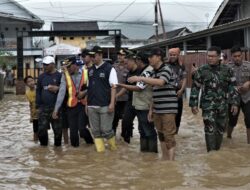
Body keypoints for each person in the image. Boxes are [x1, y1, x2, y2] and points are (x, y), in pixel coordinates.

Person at [128, 47, 178, 160]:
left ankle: (171, 163)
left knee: (169, 135)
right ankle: (165, 159)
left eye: (151, 56)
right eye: (148, 57)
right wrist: (151, 110)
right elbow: (154, 92)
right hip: (157, 108)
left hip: (168, 109)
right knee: (161, 134)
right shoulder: (153, 72)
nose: (149, 59)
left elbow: (161, 82)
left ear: (159, 57)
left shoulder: (166, 68)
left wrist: (140, 78)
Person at [189, 46, 240, 152]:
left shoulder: (227, 70)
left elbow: (233, 87)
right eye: (209, 56)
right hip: (208, 106)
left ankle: (216, 151)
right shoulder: (202, 70)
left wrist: (235, 103)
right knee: (209, 129)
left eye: (213, 56)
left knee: (220, 130)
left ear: (218, 57)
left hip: (223, 105)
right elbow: (195, 87)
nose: (210, 58)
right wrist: (193, 104)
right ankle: (211, 153)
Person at [118, 51, 158, 152]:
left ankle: (152, 153)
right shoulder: (143, 71)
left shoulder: (147, 71)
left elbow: (139, 87)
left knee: (148, 131)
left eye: (136, 60)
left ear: (140, 60)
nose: (136, 62)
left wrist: (121, 85)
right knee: (143, 131)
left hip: (145, 105)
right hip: (140, 105)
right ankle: (146, 156)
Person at [52, 56, 93, 147]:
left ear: (75, 65)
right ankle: (75, 155)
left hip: (84, 105)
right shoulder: (65, 75)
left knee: (82, 130)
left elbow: (93, 88)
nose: (66, 69)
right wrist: (56, 109)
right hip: (71, 107)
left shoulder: (86, 73)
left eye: (68, 66)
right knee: (73, 135)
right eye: (65, 67)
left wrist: (84, 92)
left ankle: (91, 144)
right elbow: (61, 93)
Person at [87, 46, 118, 152]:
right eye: (90, 56)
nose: (92, 58)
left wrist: (112, 103)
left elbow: (114, 87)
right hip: (92, 105)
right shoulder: (90, 70)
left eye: (93, 56)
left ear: (100, 55)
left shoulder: (109, 68)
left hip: (105, 105)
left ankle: (114, 150)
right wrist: (87, 104)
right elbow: (89, 87)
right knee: (95, 131)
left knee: (106, 130)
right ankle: (101, 153)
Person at [36, 56, 62, 146]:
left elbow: (65, 91)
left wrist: (57, 88)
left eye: (46, 65)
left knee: (58, 131)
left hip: (56, 108)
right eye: (43, 64)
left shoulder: (60, 76)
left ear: (52, 64)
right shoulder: (41, 77)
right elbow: (38, 91)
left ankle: (58, 152)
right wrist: (38, 106)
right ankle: (43, 150)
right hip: (44, 108)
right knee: (41, 130)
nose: (44, 66)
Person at [227, 45, 250, 142]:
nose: (237, 58)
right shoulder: (227, 68)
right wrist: (233, 88)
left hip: (247, 97)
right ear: (231, 56)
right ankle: (228, 137)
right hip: (233, 99)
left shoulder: (248, 65)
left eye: (239, 56)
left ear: (242, 56)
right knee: (232, 120)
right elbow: (224, 83)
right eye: (235, 56)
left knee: (249, 120)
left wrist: (248, 83)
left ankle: (249, 144)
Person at [116, 53, 141, 144]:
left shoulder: (141, 72)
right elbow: (126, 86)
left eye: (127, 63)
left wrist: (121, 85)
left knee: (142, 126)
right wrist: (117, 96)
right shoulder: (129, 73)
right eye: (125, 64)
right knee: (125, 122)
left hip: (140, 102)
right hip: (130, 101)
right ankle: (126, 144)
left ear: (132, 61)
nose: (126, 66)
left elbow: (137, 88)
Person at [166, 48, 187, 134]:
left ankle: (175, 132)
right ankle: (169, 131)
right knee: (168, 114)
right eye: (170, 55)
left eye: (174, 55)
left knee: (178, 114)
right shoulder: (165, 65)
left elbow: (185, 78)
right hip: (167, 93)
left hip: (178, 93)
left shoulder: (182, 66)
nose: (172, 56)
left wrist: (182, 90)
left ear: (178, 55)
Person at [112, 49, 129, 134]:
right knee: (114, 118)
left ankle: (126, 136)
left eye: (122, 55)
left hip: (126, 98)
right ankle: (113, 136)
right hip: (115, 98)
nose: (119, 56)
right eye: (119, 54)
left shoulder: (129, 67)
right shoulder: (113, 67)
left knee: (126, 120)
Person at [24, 75, 39, 142]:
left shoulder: (39, 89)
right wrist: (31, 116)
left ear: (34, 81)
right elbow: (30, 104)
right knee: (35, 130)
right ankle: (35, 144)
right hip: (34, 114)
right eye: (29, 82)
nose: (31, 82)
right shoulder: (27, 93)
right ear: (26, 84)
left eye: (32, 80)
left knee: (43, 130)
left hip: (42, 113)